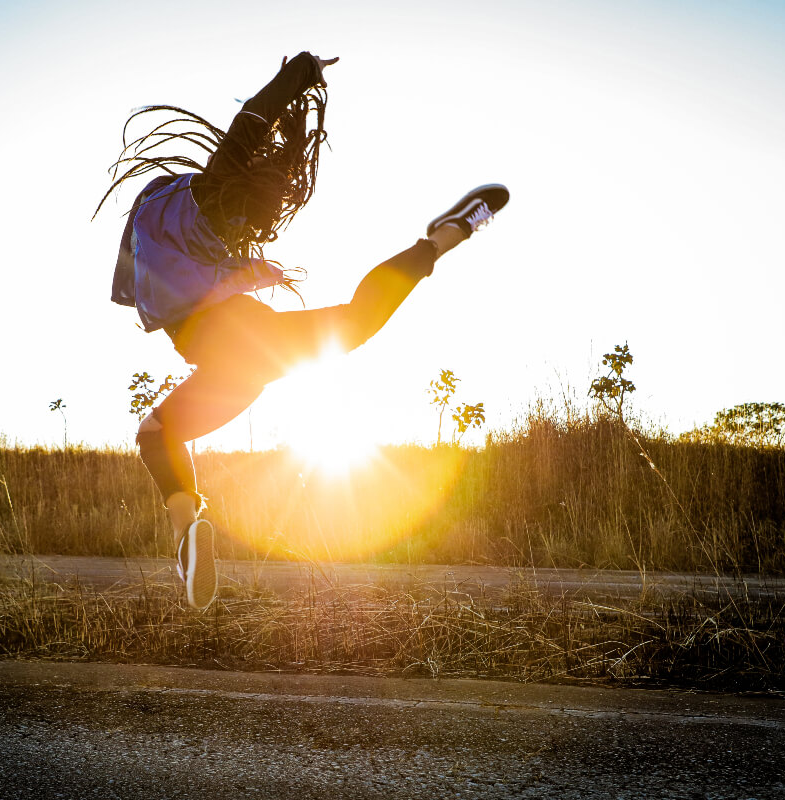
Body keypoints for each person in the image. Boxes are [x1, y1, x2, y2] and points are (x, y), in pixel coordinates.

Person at [98, 52, 508, 610]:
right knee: (355, 321)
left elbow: (251, 125)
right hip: (247, 355)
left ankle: (186, 527)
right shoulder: (212, 199)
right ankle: (440, 240)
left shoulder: (182, 215)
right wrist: (300, 73)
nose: (250, 233)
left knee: (155, 433)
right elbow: (253, 120)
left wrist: (301, 75)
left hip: (232, 358)